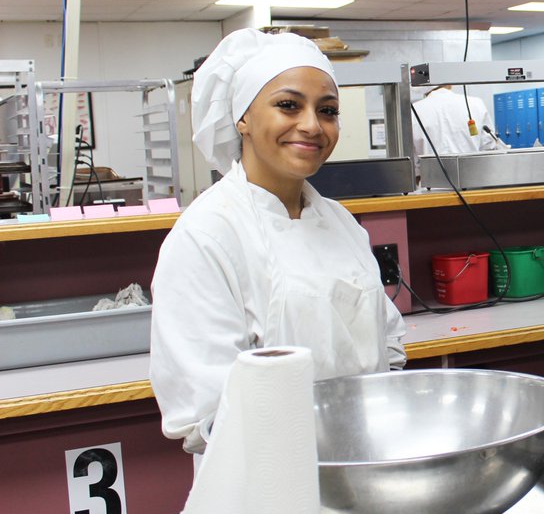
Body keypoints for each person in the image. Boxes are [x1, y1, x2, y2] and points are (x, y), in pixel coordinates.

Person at [150, 28, 406, 456]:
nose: (312, 125)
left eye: (327, 110)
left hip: (362, 460)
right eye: (288, 105)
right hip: (262, 482)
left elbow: (389, 344)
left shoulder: (340, 223)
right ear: (243, 117)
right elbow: (205, 411)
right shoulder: (206, 236)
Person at [411, 84, 505, 156]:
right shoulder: (476, 103)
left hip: (431, 178)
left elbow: (414, 155)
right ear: (450, 84)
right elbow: (488, 146)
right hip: (472, 175)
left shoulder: (415, 109)